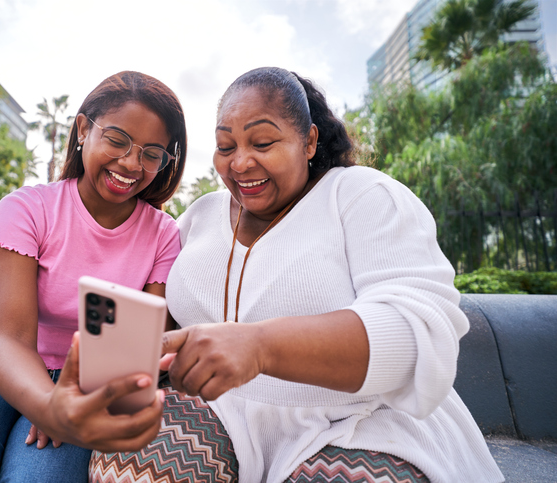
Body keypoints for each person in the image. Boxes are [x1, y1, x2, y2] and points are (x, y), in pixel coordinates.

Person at [89, 67, 504, 482]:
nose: (240, 162)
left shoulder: (361, 194)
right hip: (222, 412)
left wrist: (261, 346)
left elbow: (418, 333)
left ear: (308, 141)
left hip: (359, 421)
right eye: (224, 145)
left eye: (263, 142)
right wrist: (84, 386)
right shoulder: (200, 214)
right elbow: (151, 310)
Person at [0, 70, 187, 482]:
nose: (131, 163)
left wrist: (70, 403)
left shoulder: (165, 234)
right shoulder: (26, 208)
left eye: (152, 153)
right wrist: (47, 403)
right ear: (83, 129)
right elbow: (9, 338)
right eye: (117, 141)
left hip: (90, 387)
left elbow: (139, 350)